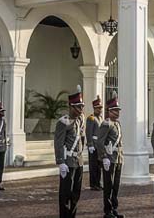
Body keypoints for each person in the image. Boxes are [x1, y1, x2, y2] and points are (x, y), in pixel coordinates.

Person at [54, 85, 86, 218]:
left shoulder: (79, 121)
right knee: (65, 193)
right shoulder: (63, 122)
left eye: (81, 107)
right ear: (71, 107)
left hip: (78, 162)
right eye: (78, 107)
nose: (81, 110)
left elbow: (82, 139)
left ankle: (72, 215)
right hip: (67, 162)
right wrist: (61, 162)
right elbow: (58, 143)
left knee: (76, 193)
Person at [97, 92, 125, 218]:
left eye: (118, 110)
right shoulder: (106, 124)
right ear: (109, 111)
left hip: (118, 158)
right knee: (108, 185)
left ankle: (114, 209)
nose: (117, 112)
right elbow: (99, 142)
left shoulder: (117, 124)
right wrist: (104, 157)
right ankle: (107, 211)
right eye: (115, 110)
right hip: (109, 159)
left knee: (115, 185)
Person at [86, 95, 104, 191]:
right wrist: (90, 144)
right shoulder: (91, 118)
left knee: (98, 165)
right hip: (93, 145)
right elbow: (88, 132)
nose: (100, 110)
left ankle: (98, 182)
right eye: (98, 108)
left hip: (99, 146)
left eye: (100, 108)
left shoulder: (101, 118)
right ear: (94, 108)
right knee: (93, 166)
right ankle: (93, 184)